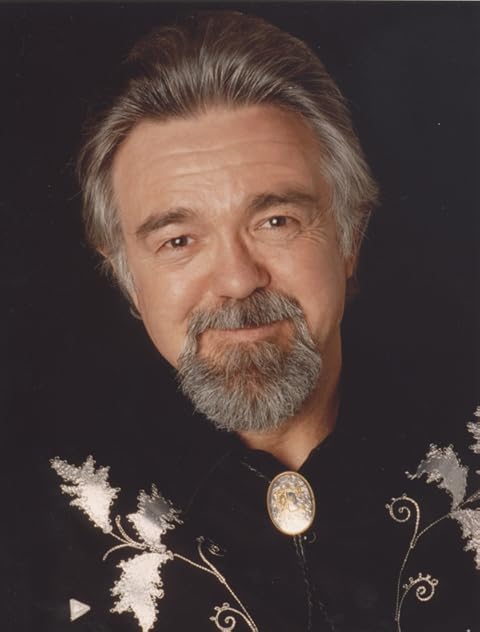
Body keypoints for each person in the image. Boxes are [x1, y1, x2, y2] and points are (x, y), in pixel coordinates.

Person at [34, 10, 479, 632]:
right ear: (127, 278)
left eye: (276, 222)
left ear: (349, 238)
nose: (238, 279)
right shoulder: (41, 534)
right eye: (179, 240)